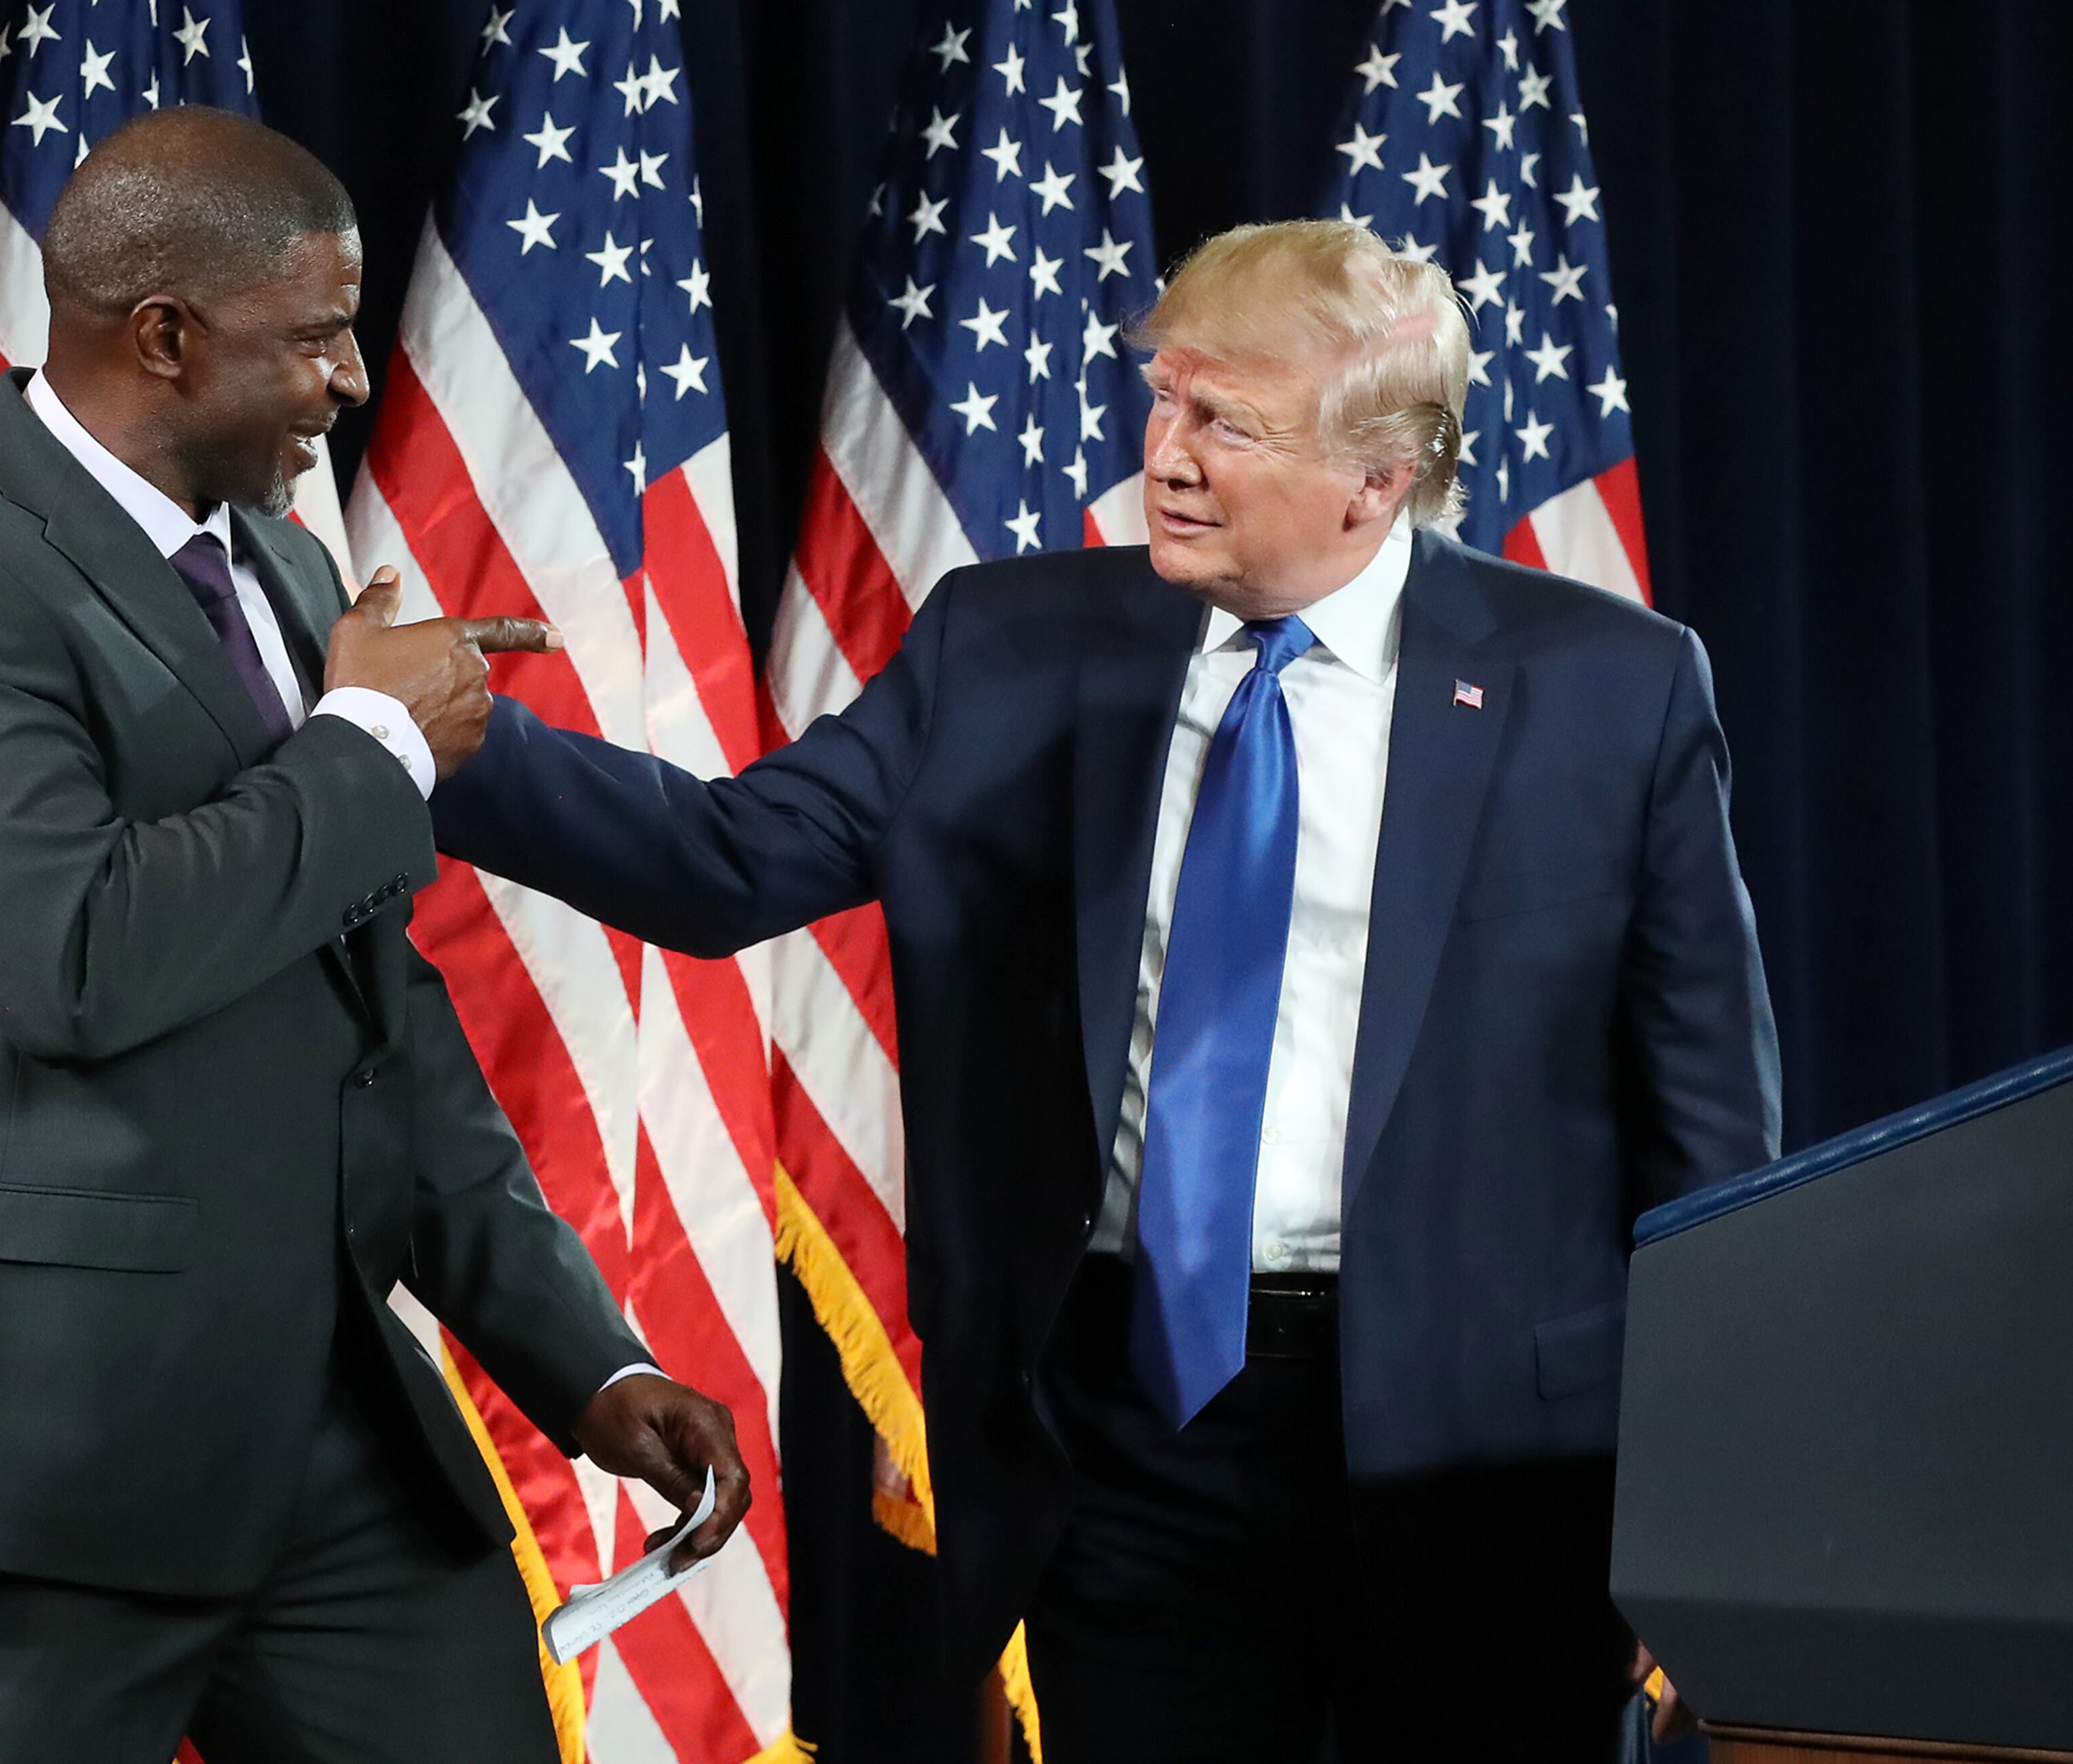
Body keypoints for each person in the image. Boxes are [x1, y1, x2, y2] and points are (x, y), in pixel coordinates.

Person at [429, 220, 1779, 1763]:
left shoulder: (1611, 686)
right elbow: (727, 862)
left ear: (1379, 476)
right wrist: (447, 742)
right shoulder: (1012, 644)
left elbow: (1711, 1143)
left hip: (1489, 1460)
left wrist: (1709, 1517)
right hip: (1136, 1438)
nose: (1167, 457)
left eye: (1227, 424)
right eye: (1167, 400)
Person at [0, 106, 748, 1762]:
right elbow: (74, 955)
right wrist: (368, 748)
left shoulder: (295, 580)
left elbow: (380, 1023)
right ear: (164, 337)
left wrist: (578, 1355)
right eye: (315, 336)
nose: (353, 381)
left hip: (338, 1446)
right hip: (34, 1466)